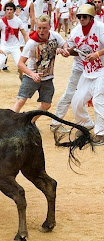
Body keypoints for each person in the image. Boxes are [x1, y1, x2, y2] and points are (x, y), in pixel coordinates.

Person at [12, 14, 69, 122]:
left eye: (44, 28)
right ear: (36, 27)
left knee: (46, 105)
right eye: (39, 28)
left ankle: (30, 122)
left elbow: (64, 44)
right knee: (20, 101)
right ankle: (9, 124)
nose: (41, 31)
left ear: (49, 27)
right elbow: (20, 63)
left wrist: (64, 49)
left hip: (47, 78)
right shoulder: (31, 43)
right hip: (31, 76)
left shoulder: (55, 36)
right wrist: (32, 74)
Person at [67, 4, 104, 145]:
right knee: (77, 101)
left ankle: (101, 133)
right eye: (79, 17)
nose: (81, 19)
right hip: (87, 71)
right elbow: (72, 48)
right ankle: (86, 124)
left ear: (91, 17)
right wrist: (65, 51)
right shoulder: (76, 31)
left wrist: (97, 54)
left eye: (84, 17)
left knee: (98, 100)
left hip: (102, 69)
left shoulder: (100, 27)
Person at [0, 2, 28, 90]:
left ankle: (21, 76)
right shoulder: (1, 21)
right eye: (7, 9)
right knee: (0, 63)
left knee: (20, 64)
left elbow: (24, 34)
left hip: (15, 46)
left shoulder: (18, 21)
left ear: (14, 11)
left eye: (11, 10)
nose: (9, 11)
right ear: (5, 10)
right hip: (4, 46)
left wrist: (27, 46)